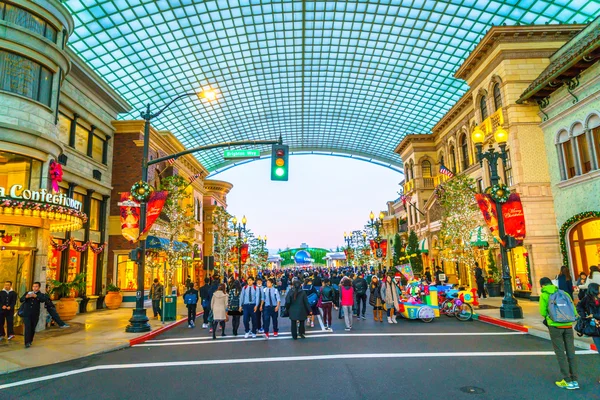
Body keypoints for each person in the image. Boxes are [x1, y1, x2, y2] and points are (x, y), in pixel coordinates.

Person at [539, 277, 579, 390]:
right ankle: (575, 379)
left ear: (542, 285)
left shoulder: (544, 295)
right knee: (571, 351)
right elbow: (573, 309)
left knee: (560, 352)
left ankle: (567, 379)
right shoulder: (564, 293)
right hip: (568, 324)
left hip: (555, 325)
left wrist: (548, 317)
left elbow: (542, 311)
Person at [576, 282, 600, 364]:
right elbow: (579, 306)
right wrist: (584, 316)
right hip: (594, 328)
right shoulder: (587, 299)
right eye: (598, 290)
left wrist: (594, 315)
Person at [20, 282, 47, 348]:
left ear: (39, 287)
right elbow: (21, 299)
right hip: (27, 313)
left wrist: (36, 296)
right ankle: (27, 342)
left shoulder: (41, 294)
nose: (34, 288)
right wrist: (26, 297)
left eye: (36, 286)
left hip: (35, 314)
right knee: (27, 327)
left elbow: (43, 300)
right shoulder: (28, 293)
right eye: (33, 286)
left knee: (32, 328)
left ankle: (30, 340)